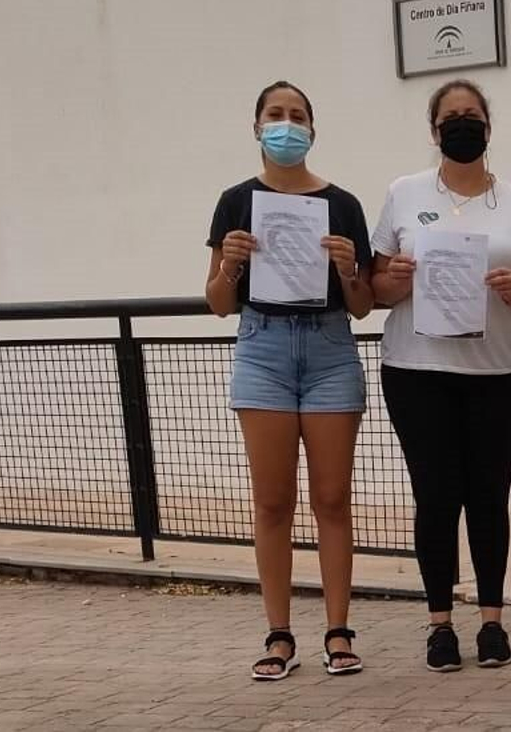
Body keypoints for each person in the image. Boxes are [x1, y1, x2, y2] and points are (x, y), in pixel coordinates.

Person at [370, 80, 511, 672]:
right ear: (434, 131)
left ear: (488, 126)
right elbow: (372, 289)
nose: (462, 124)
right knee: (435, 495)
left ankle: (492, 620)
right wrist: (396, 279)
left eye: (472, 115)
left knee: (488, 495)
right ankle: (438, 624)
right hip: (417, 370)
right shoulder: (403, 194)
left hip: (497, 372)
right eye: (450, 117)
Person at [205, 81, 373, 681]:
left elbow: (362, 306)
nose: (286, 125)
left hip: (330, 348)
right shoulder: (235, 201)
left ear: (312, 130)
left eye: (297, 116)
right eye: (275, 115)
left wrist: (350, 270)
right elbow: (219, 303)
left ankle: (338, 631)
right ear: (256, 127)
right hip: (263, 347)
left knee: (332, 499)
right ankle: (278, 633)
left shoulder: (343, 204)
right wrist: (230, 264)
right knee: (273, 502)